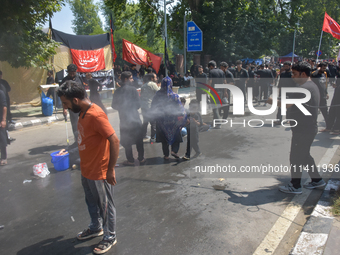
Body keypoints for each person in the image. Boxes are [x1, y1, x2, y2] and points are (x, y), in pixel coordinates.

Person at [57, 80, 120, 254]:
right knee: (91, 201)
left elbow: (114, 140)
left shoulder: (96, 115)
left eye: (65, 103)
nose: (65, 107)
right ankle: (95, 227)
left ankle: (110, 236)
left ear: (75, 100)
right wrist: (68, 149)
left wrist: (110, 169)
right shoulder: (82, 113)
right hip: (86, 169)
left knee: (105, 205)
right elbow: (84, 139)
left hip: (99, 171)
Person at [268, 61, 326, 194]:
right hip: (307, 128)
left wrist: (271, 100)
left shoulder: (304, 88)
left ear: (303, 74)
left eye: (294, 74)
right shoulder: (311, 85)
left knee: (296, 157)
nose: (292, 76)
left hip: (303, 129)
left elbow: (287, 104)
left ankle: (295, 186)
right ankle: (317, 180)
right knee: (304, 155)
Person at [111, 71, 145, 166]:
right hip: (135, 119)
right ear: (126, 79)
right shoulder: (133, 90)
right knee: (139, 140)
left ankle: (130, 160)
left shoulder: (117, 91)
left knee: (127, 141)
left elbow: (113, 105)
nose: (132, 80)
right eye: (131, 78)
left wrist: (122, 109)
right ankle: (141, 158)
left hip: (124, 120)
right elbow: (138, 105)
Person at [151, 76, 187, 160]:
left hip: (161, 121)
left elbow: (153, 107)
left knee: (164, 139)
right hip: (173, 121)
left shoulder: (157, 95)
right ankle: (174, 151)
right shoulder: (175, 96)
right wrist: (184, 117)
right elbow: (180, 109)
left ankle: (166, 155)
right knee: (176, 136)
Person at [60, 64, 85, 144]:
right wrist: (64, 108)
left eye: (73, 73)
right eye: (70, 73)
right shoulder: (64, 80)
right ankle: (77, 139)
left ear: (76, 71)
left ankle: (84, 138)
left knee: (83, 121)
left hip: (81, 104)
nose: (71, 74)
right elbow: (62, 95)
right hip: (71, 105)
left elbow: (83, 91)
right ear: (68, 72)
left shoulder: (79, 78)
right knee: (74, 123)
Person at [274, 61, 295, 125]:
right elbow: (280, 83)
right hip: (282, 92)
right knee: (280, 106)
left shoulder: (292, 75)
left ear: (290, 66)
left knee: (289, 107)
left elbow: (295, 84)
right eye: (284, 66)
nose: (285, 67)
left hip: (290, 92)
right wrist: (279, 92)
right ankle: (279, 120)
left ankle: (289, 119)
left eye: (287, 66)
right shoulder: (282, 74)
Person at [140, 73, 159, 142]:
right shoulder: (152, 84)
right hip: (150, 107)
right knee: (153, 123)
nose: (156, 79)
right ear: (151, 78)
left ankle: (143, 135)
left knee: (145, 122)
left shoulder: (143, 86)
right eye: (155, 77)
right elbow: (158, 92)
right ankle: (153, 137)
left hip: (144, 106)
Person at [311, 62, 330, 131]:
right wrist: (317, 69)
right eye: (323, 68)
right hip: (316, 96)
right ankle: (313, 126)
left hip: (323, 96)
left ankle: (328, 126)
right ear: (320, 67)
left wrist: (326, 93)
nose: (324, 69)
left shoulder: (324, 74)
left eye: (325, 68)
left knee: (325, 112)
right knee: (314, 112)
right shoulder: (314, 74)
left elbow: (324, 84)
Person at [208, 60, 226, 129]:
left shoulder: (211, 72)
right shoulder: (221, 71)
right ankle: (214, 122)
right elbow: (225, 82)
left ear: (211, 66)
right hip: (220, 91)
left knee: (214, 107)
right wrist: (225, 92)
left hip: (214, 92)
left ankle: (218, 123)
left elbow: (210, 81)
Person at [0, 89, 7, 165]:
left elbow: (4, 107)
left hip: (1, 119)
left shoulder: (1, 93)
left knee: (2, 139)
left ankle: (4, 158)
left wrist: (3, 120)